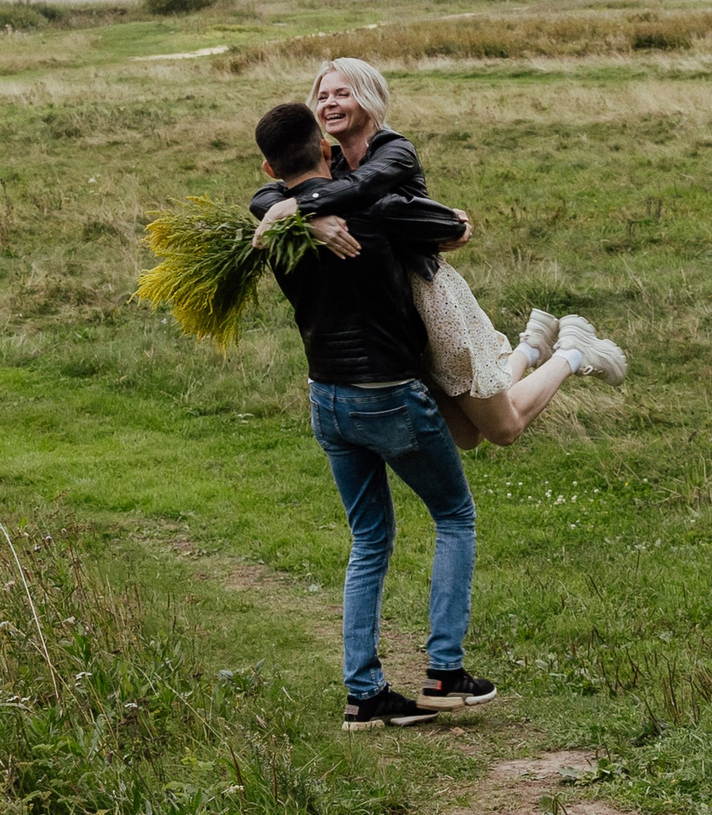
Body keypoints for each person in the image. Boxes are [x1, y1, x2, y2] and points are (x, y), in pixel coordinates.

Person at [248, 100, 510, 730]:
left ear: (267, 164)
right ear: (326, 150)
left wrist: (295, 214)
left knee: (369, 540)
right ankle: (445, 673)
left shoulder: (274, 228)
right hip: (388, 392)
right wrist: (454, 224)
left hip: (327, 397)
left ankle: (364, 694)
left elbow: (265, 204)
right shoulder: (373, 209)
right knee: (455, 515)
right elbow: (446, 225)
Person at [252, 56, 626, 447]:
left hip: (429, 299)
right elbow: (265, 196)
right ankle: (532, 347)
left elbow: (362, 192)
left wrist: (295, 208)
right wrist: (309, 219)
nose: (329, 103)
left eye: (342, 93)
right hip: (388, 313)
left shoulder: (394, 150)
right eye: (323, 95)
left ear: (368, 98)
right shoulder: (333, 163)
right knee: (466, 435)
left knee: (503, 428)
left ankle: (572, 353)